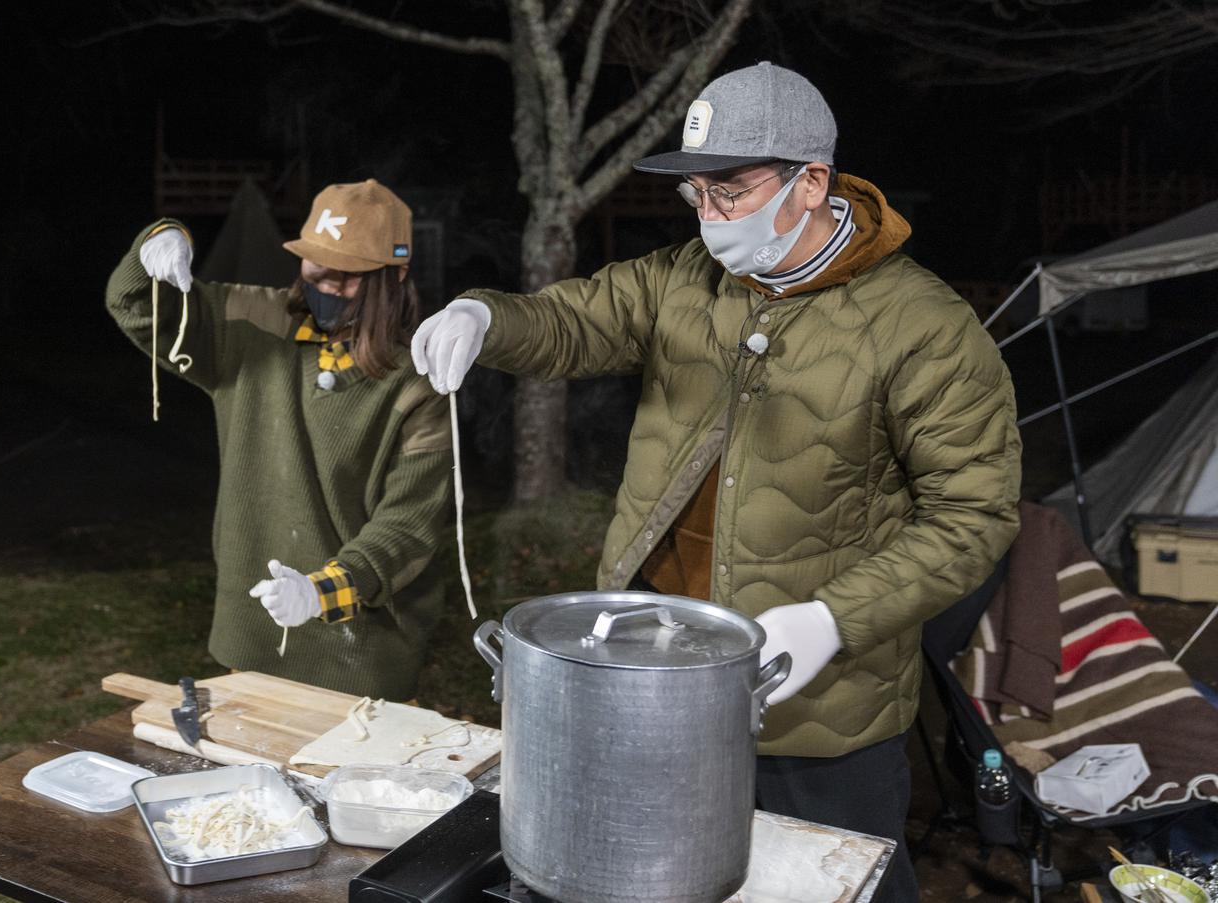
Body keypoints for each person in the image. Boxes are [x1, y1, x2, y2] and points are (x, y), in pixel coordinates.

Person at [410, 62, 1021, 900]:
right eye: (694, 192)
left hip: (818, 712)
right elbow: (571, 319)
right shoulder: (680, 282)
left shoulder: (926, 329)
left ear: (811, 183)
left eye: (729, 190)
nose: (707, 215)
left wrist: (834, 618)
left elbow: (974, 516)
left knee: (822, 883)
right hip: (652, 683)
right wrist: (485, 316)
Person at [106, 179, 453, 700]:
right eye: (318, 266)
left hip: (358, 653)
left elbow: (409, 525)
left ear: (394, 277)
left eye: (350, 275)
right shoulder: (250, 324)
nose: (329, 284)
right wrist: (160, 239)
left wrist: (323, 592)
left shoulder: (418, 383)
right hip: (252, 632)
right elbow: (135, 306)